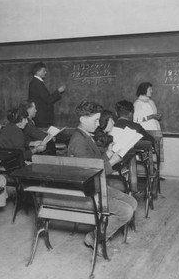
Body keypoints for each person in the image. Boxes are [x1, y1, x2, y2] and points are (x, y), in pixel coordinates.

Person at [67, 101, 137, 248]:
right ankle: (94, 237)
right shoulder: (79, 141)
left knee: (132, 202)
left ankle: (104, 231)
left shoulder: (86, 135)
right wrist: (112, 162)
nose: (99, 124)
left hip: (95, 185)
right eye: (96, 120)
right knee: (126, 211)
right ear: (83, 119)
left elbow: (95, 161)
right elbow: (91, 172)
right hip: (87, 191)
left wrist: (108, 153)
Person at [28, 62, 66, 128]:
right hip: (41, 118)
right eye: (44, 71)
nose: (46, 73)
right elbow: (48, 99)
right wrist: (58, 91)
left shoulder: (36, 82)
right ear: (38, 72)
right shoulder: (37, 83)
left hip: (41, 117)